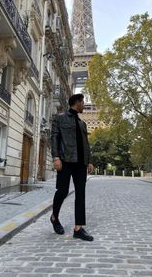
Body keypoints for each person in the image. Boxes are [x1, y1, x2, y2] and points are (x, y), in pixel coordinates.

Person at [50, 93, 94, 241]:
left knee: (80, 194)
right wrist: (56, 157)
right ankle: (54, 217)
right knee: (62, 191)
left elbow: (85, 144)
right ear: (76, 102)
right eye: (83, 102)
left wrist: (89, 161)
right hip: (65, 160)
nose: (84, 105)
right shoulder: (60, 117)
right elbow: (54, 137)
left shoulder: (82, 123)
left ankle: (78, 228)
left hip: (80, 163)